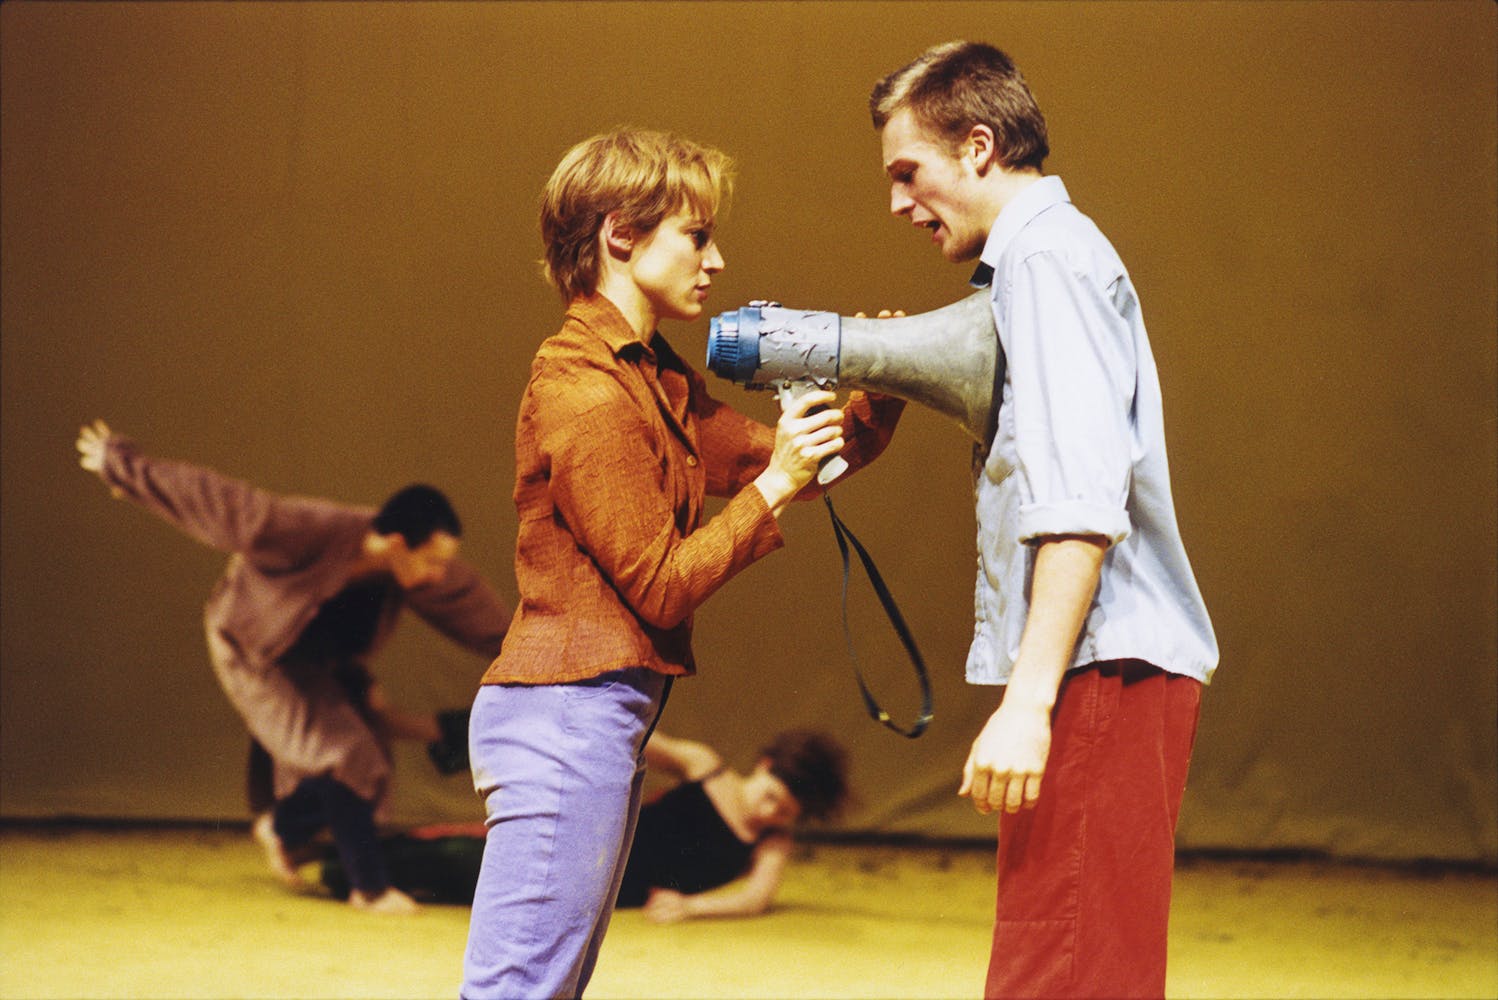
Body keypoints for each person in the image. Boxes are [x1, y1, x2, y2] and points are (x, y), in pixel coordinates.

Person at [459, 128, 903, 998]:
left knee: (546, 987)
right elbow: (661, 586)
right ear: (621, 235)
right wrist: (775, 485)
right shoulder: (585, 390)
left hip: (596, 716)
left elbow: (799, 464)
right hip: (566, 718)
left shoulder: (652, 380)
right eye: (697, 236)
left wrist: (881, 392)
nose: (716, 260)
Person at [868, 42, 1220, 998]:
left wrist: (1028, 705)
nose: (897, 201)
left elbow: (1079, 503)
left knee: (1060, 973)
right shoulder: (1038, 260)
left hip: (1099, 672)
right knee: (1076, 962)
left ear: (978, 147)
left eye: (909, 171)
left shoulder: (1049, 262)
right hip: (1098, 671)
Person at [76, 420, 512, 915]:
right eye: (432, 561)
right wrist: (122, 466)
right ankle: (368, 888)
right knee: (347, 753)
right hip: (252, 651)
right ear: (395, 542)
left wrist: (534, 655)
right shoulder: (309, 530)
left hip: (320, 663)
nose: (439, 573)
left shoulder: (413, 571)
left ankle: (283, 828)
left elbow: (475, 610)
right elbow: (220, 502)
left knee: (370, 758)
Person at [317, 728, 849, 922]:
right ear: (764, 766)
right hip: (577, 848)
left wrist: (693, 906)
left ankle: (337, 863)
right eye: (771, 797)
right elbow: (629, 736)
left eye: (785, 812)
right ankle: (332, 861)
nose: (768, 813)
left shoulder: (772, 842)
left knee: (467, 892)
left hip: (606, 894)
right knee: (455, 856)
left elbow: (755, 898)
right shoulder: (705, 766)